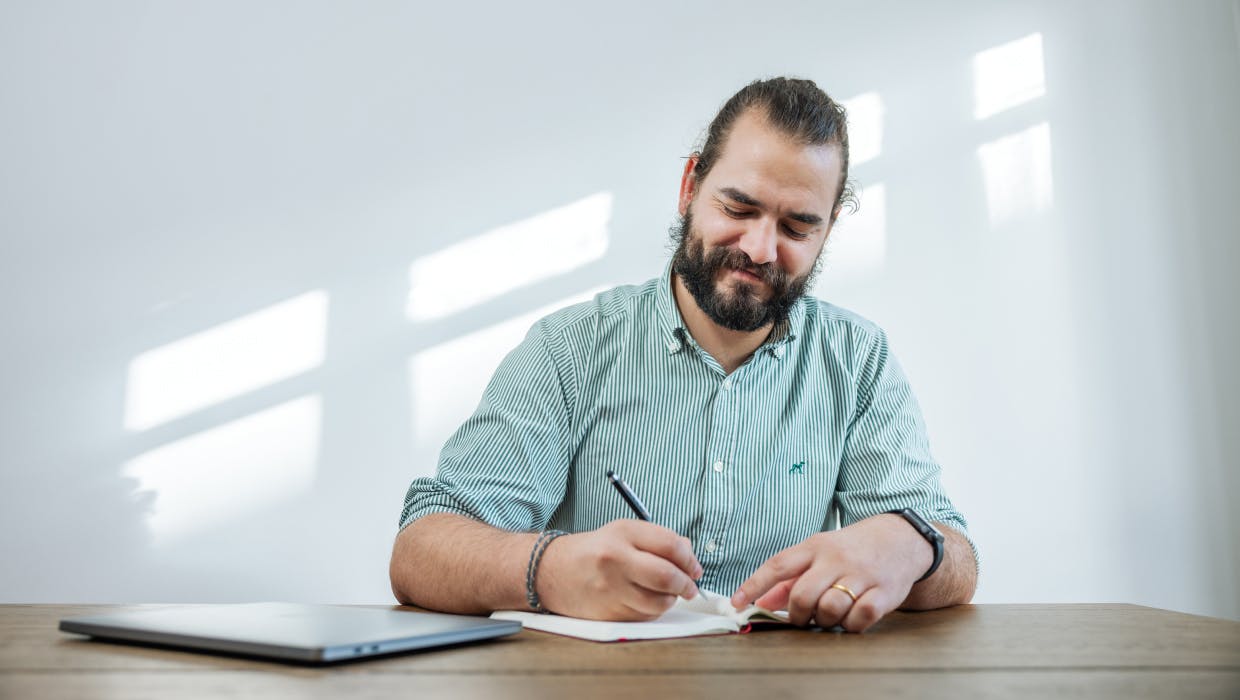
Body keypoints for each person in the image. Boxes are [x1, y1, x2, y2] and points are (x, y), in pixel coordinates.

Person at [390, 77, 977, 633]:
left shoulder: (859, 360)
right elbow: (419, 552)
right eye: (738, 208)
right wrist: (551, 567)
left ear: (828, 230)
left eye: (798, 227)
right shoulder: (568, 349)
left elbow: (960, 565)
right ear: (690, 188)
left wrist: (911, 545)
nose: (759, 248)